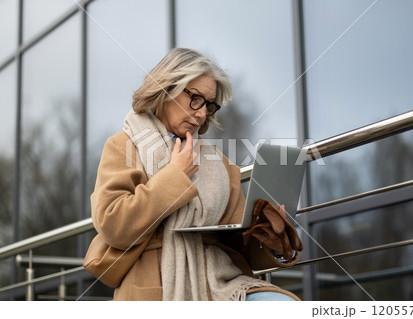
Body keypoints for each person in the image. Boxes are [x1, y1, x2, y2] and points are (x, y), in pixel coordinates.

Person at [90, 48, 301, 301]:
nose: (201, 113)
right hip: (155, 289)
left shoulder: (219, 163)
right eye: (195, 98)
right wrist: (175, 176)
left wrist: (272, 245)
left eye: (209, 105)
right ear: (166, 88)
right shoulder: (123, 146)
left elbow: (238, 245)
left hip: (222, 285)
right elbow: (114, 225)